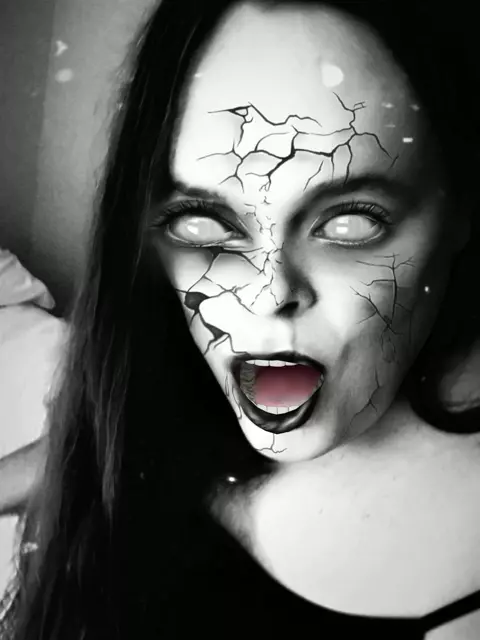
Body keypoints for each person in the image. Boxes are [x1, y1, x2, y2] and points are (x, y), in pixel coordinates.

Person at [1, 1, 480, 638]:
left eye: (348, 224)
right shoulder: (164, 375)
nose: (265, 294)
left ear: (459, 212)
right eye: (205, 225)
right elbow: (97, 446)